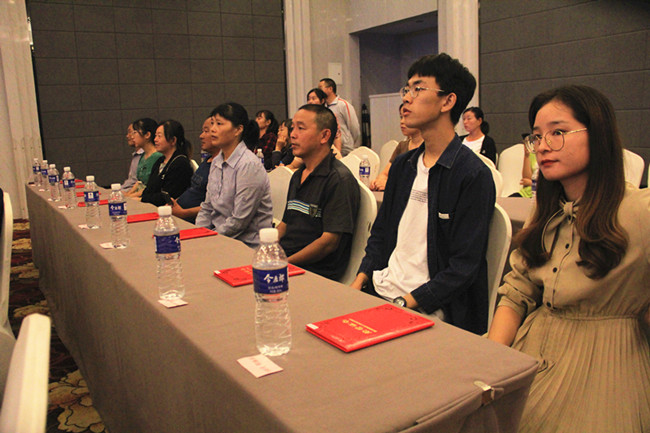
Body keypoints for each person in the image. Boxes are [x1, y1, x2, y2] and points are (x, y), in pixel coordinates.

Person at [487, 85, 650, 432]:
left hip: (605, 367)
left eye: (557, 132)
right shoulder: (545, 211)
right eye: (536, 137)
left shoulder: (639, 211)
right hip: (533, 348)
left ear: (598, 134)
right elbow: (516, 291)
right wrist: (490, 363)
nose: (542, 146)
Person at [351, 53, 495, 335]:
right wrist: (359, 281)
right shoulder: (403, 166)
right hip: (381, 292)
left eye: (417, 89)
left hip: (428, 309)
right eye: (407, 89)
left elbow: (464, 267)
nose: (406, 98)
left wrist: (405, 302)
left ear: (447, 101)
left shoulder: (472, 175)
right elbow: (380, 234)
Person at [277, 104, 360, 281]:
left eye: (301, 128)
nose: (292, 135)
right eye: (293, 128)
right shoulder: (298, 175)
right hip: (287, 262)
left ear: (324, 136)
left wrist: (285, 264)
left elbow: (328, 243)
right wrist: (265, 250)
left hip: (314, 273)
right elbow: (285, 224)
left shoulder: (339, 179)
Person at [195, 103, 273, 248]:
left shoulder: (249, 165)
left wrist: (208, 240)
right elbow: (207, 208)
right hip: (219, 239)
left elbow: (239, 221)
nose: (213, 129)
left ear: (238, 129)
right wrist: (198, 234)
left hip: (247, 246)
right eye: (212, 123)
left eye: (219, 124)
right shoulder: (217, 161)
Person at [171, 117, 219, 223]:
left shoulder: (221, 166)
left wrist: (183, 213)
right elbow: (193, 190)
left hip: (195, 221)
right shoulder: (207, 160)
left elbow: (214, 206)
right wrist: (174, 203)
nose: (201, 136)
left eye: (206, 131)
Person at [370, 104, 424, 191]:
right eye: (401, 117)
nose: (402, 122)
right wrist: (380, 182)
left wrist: (390, 184)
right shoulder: (402, 146)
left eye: (406, 117)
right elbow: (384, 174)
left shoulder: (429, 148)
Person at [140, 120, 193, 206]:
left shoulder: (180, 163)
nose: (155, 139)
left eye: (159, 136)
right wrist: (146, 197)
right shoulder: (160, 160)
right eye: (155, 136)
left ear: (173, 140)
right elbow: (148, 190)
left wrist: (145, 198)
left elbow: (167, 196)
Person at [318, 78, 361, 156]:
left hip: (346, 148)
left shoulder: (343, 105)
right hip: (332, 147)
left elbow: (354, 127)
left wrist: (348, 141)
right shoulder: (324, 107)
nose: (319, 91)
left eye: (321, 87)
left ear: (330, 89)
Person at [124, 118, 162, 198]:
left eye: (135, 133)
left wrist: (131, 196)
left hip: (148, 197)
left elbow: (150, 187)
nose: (132, 137)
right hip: (138, 195)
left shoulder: (158, 157)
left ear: (147, 135)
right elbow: (139, 182)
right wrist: (128, 195)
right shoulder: (143, 155)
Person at [510, 133, 539, 198]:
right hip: (525, 193)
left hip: (538, 195)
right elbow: (526, 178)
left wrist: (531, 183)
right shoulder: (532, 154)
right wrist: (527, 155)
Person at [121, 122, 143, 191]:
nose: (128, 136)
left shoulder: (147, 156)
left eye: (133, 132)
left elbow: (140, 184)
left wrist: (128, 194)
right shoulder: (136, 155)